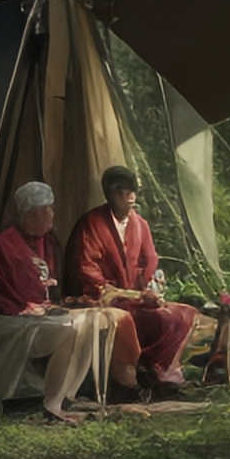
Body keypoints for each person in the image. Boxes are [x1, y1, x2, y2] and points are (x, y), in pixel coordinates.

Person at [0, 181, 119, 422]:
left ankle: (68, 394)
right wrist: (29, 306)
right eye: (48, 209)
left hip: (40, 313)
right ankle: (51, 402)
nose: (52, 214)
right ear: (31, 213)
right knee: (68, 331)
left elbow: (45, 286)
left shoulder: (47, 241)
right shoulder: (5, 245)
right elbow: (7, 294)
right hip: (11, 320)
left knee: (94, 321)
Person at [63, 165, 200, 397]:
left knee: (183, 313)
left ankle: (162, 370)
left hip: (138, 295)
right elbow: (86, 269)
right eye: (124, 194)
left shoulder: (140, 224)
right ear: (112, 194)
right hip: (107, 298)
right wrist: (128, 294)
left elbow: (150, 260)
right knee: (142, 319)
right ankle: (133, 376)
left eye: (132, 193)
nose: (131, 199)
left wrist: (149, 285)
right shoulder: (91, 224)